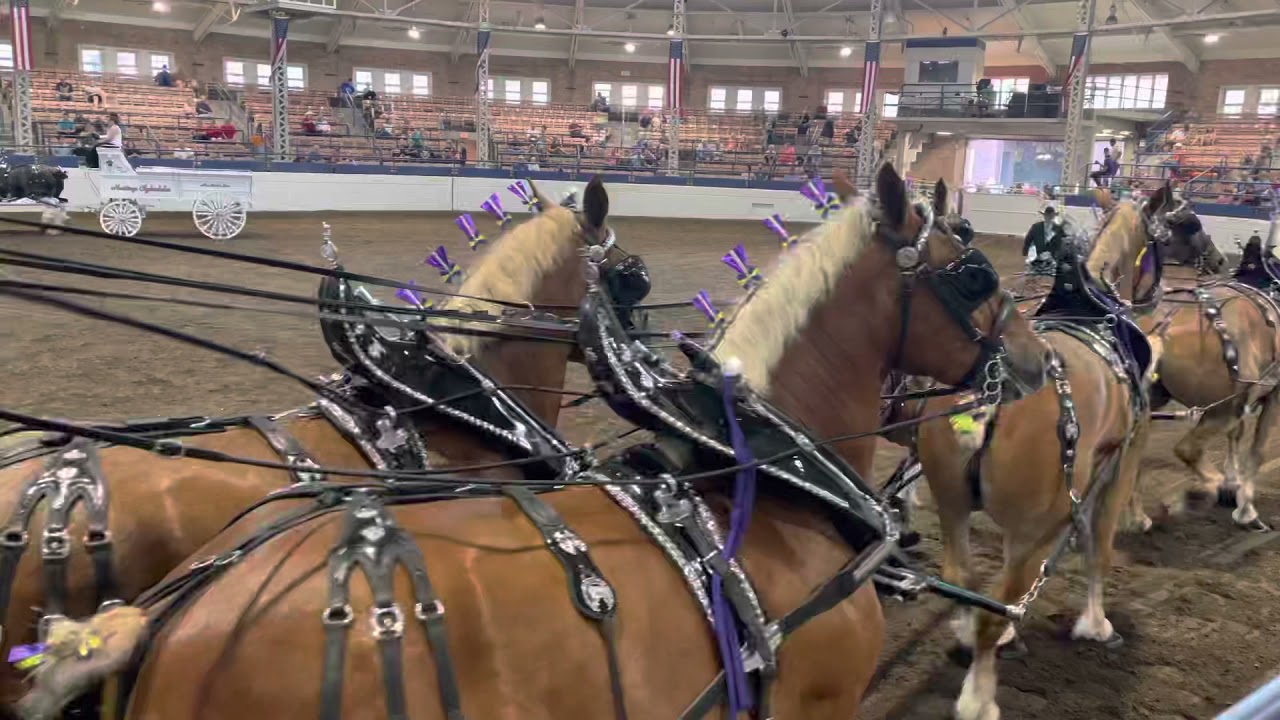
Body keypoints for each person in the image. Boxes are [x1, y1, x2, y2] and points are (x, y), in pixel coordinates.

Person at [1022, 205, 1067, 273]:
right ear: (1044, 216)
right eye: (1047, 215)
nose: (1049, 217)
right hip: (1037, 257)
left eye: (1051, 216)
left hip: (1052, 259)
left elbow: (1064, 241)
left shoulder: (1058, 228)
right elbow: (1028, 240)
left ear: (1053, 216)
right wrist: (1025, 253)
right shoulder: (1036, 227)